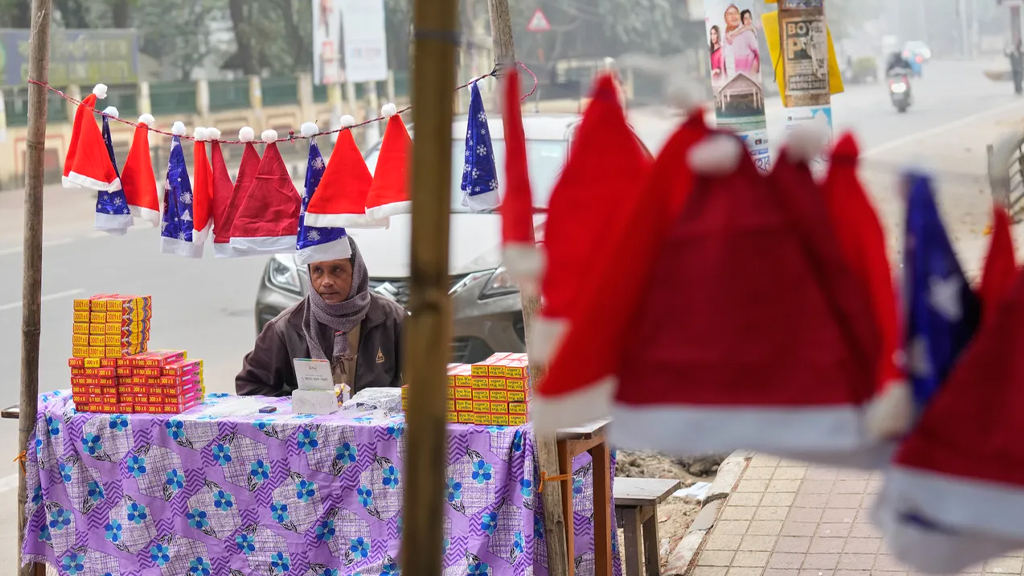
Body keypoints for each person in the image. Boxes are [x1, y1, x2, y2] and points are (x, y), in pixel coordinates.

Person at [236, 236, 404, 396]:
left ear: (356, 272)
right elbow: (251, 386)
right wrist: (298, 407)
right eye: (317, 271)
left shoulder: (392, 319)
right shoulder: (285, 328)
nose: (326, 281)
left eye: (336, 270)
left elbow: (425, 377)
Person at [724, 4, 760, 75]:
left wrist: (753, 71)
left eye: (749, 18)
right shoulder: (731, 36)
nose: (748, 20)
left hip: (747, 75)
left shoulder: (749, 32)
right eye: (745, 18)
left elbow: (758, 53)